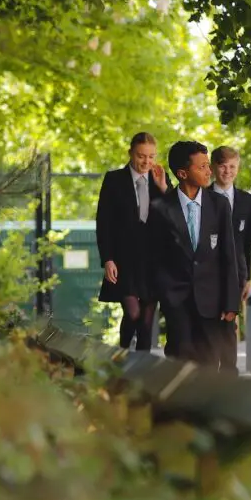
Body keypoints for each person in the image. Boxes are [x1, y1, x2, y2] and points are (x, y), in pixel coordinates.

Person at [148, 141, 240, 369]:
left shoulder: (219, 205)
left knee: (209, 365)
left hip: (212, 305)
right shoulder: (161, 208)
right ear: (182, 173)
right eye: (202, 167)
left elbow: (229, 255)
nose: (210, 171)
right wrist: (166, 295)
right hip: (177, 304)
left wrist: (231, 303)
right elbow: (155, 259)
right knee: (181, 364)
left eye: (209, 166)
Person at [95, 132, 169, 351]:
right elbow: (104, 223)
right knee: (133, 313)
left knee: (146, 322)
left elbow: (174, 214)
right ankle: (123, 355)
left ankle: (142, 373)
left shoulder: (160, 180)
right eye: (141, 156)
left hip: (153, 262)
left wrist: (164, 189)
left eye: (151, 156)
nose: (146, 162)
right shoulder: (114, 180)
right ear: (130, 153)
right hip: (124, 260)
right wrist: (107, 259)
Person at [211, 145, 251, 375]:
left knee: (229, 323)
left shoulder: (247, 201)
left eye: (232, 167)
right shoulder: (203, 198)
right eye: (223, 166)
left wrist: (248, 278)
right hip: (209, 273)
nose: (228, 171)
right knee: (211, 324)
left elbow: (248, 243)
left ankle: (228, 376)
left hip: (237, 273)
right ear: (213, 167)